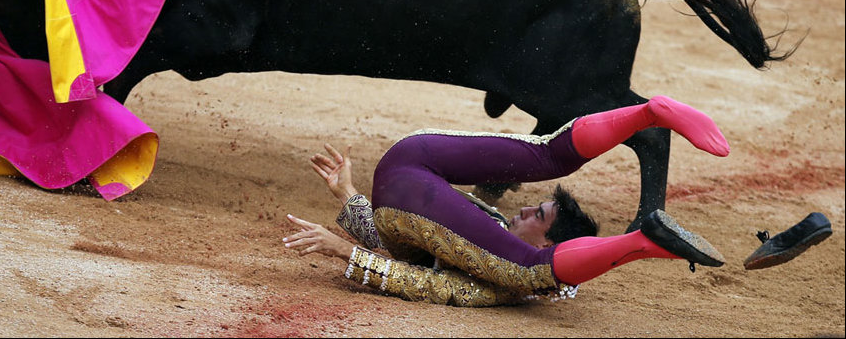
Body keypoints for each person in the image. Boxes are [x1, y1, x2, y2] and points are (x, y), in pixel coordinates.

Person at [282, 95, 729, 306]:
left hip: (409, 154)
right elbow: (413, 256)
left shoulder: (500, 266)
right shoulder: (500, 262)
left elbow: (410, 262)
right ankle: (645, 234)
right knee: (534, 262)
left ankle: (647, 115)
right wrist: (347, 246)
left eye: (539, 215)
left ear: (548, 242)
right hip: (405, 188)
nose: (524, 208)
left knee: (550, 154)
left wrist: (346, 197)